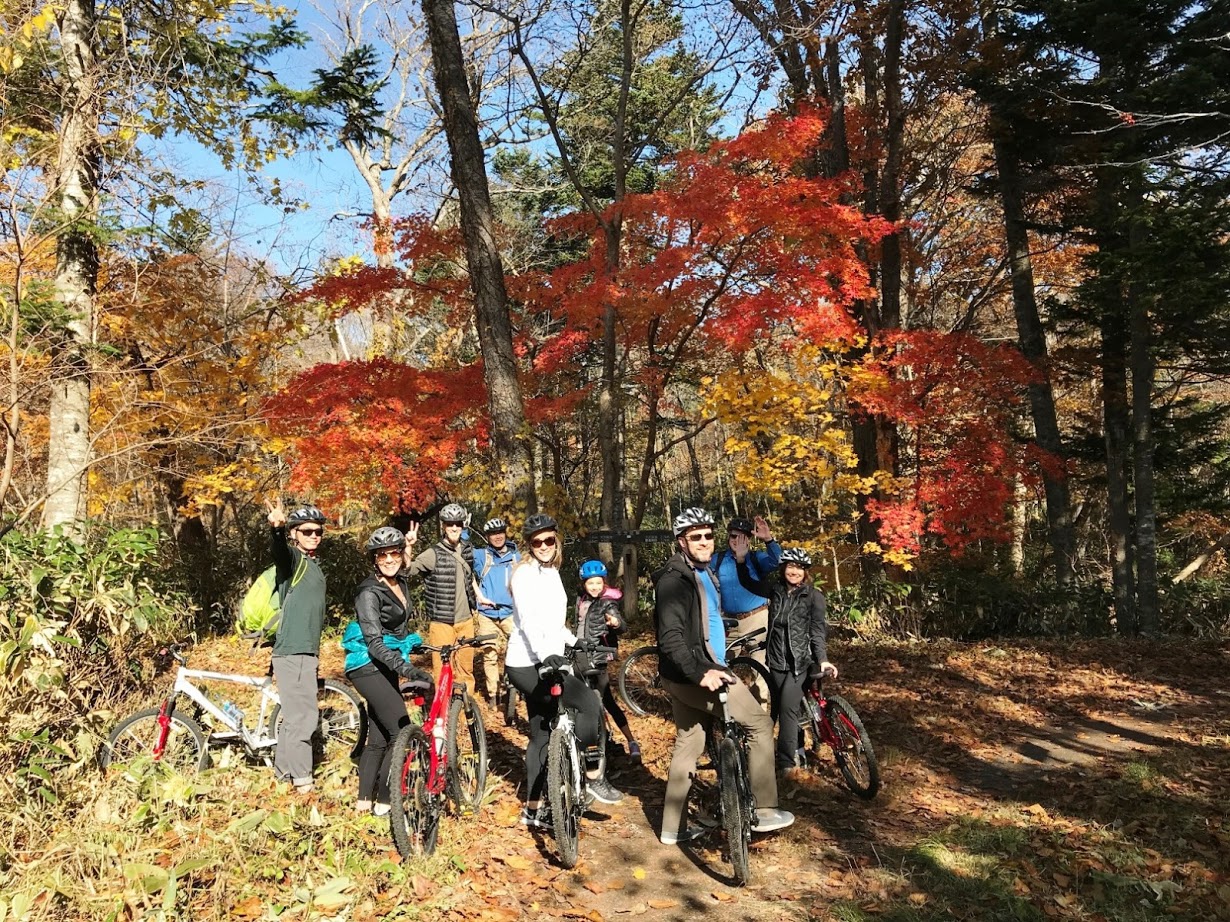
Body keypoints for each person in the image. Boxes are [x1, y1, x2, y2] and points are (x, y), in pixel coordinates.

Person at [654, 507, 794, 845]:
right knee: (759, 724)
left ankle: (672, 828)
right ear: (681, 542)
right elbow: (670, 637)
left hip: (695, 670)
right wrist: (701, 671)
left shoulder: (702, 571)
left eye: (708, 535)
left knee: (690, 742)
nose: (704, 541)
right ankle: (764, 809)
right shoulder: (674, 580)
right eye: (695, 537)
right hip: (700, 674)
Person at [504, 514, 618, 828]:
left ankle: (533, 810)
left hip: (547, 657)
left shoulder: (552, 571)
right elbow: (529, 621)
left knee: (541, 733)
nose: (543, 546)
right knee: (589, 703)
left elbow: (552, 622)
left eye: (548, 540)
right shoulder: (524, 575)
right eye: (536, 541)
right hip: (527, 663)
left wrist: (573, 639)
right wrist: (546, 656)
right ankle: (593, 774)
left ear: (556, 540)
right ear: (529, 545)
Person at [342, 527, 435, 815]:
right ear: (374, 559)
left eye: (394, 553)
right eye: (382, 555)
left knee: (379, 737)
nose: (390, 559)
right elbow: (375, 643)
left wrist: (409, 545)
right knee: (400, 731)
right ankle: (385, 801)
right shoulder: (368, 593)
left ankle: (363, 803)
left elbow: (395, 627)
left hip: (385, 663)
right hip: (367, 664)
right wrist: (408, 669)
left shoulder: (398, 580)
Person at [732, 544, 837, 770]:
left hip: (802, 663)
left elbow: (817, 631)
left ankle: (786, 763)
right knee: (787, 708)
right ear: (783, 569)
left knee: (787, 709)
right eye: (790, 567)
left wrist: (823, 659)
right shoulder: (776, 590)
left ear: (805, 572)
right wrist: (741, 561)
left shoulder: (814, 597)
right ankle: (798, 750)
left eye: (799, 568)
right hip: (777, 661)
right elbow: (749, 583)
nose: (794, 572)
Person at [267, 502, 328, 794]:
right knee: (304, 718)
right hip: (293, 650)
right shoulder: (293, 559)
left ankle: (283, 775)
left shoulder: (312, 565)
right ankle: (303, 781)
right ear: (295, 534)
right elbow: (278, 552)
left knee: (295, 717)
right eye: (307, 531)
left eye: (318, 532)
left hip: (305, 650)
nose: (314, 536)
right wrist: (277, 530)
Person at [404, 503, 484, 694]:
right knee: (443, 672)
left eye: (458, 523)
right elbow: (407, 570)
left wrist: (480, 597)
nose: (454, 528)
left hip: (466, 621)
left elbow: (469, 576)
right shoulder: (433, 554)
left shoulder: (467, 549)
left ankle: (465, 708)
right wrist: (408, 545)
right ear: (443, 526)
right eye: (450, 524)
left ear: (462, 526)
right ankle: (444, 709)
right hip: (442, 623)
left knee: (466, 671)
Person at [575, 559, 641, 765]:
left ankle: (631, 741)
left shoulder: (607, 603)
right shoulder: (581, 599)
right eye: (590, 583)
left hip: (598, 656)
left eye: (598, 582)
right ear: (584, 584)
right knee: (579, 698)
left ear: (604, 582)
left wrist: (616, 623)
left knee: (606, 700)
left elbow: (622, 626)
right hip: (579, 654)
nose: (595, 587)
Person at [710, 515, 781, 667]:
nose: (737, 540)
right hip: (728, 621)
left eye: (743, 537)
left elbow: (777, 562)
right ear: (728, 537)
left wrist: (768, 539)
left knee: (761, 665)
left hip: (756, 618)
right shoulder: (717, 560)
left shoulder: (756, 558)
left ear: (749, 539)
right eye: (734, 536)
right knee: (722, 665)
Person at [472, 517, 520, 705]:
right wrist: (464, 528)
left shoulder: (516, 557)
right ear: (487, 537)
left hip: (510, 613)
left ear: (505, 533)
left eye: (500, 532)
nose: (497, 536)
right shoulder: (482, 556)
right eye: (493, 534)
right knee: (490, 654)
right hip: (487, 614)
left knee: (517, 651)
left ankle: (514, 687)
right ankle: (493, 695)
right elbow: (462, 551)